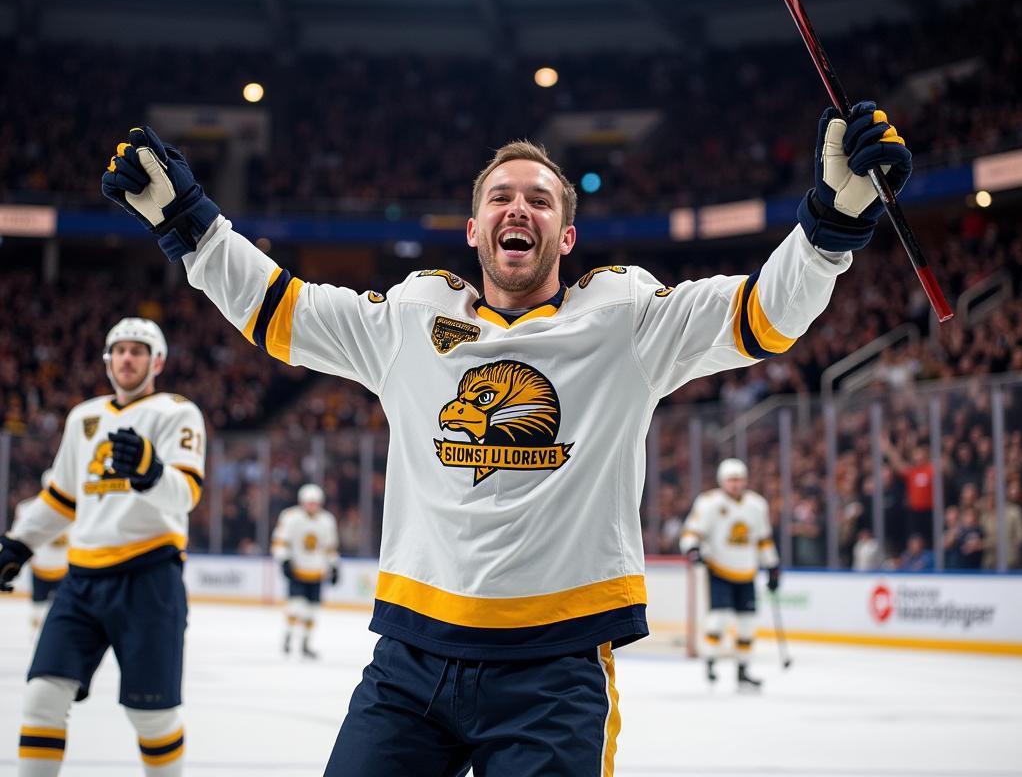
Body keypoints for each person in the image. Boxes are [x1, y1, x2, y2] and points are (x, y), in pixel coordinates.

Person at [99, 99, 911, 775]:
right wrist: (189, 223)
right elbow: (282, 310)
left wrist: (831, 225)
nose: (517, 207)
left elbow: (764, 314)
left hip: (554, 674)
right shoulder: (412, 319)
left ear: (564, 237)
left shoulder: (627, 320)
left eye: (540, 199)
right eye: (499, 196)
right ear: (473, 229)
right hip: (408, 666)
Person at [0, 318, 205, 777]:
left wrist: (151, 470)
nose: (127, 358)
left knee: (151, 717)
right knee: (41, 698)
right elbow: (61, 497)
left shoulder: (178, 412)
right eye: (119, 350)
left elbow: (187, 494)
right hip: (81, 581)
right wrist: (18, 544)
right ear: (107, 360)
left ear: (159, 362)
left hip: (150, 578)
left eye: (137, 350)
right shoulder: (83, 417)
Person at [680, 459, 779, 689]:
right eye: (731, 480)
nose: (735, 484)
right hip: (720, 569)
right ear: (722, 481)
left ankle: (743, 670)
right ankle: (711, 662)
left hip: (747, 571)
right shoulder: (709, 503)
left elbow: (763, 539)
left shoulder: (757, 505)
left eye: (739, 479)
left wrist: (773, 565)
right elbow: (692, 532)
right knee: (718, 620)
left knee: (747, 624)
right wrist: (693, 549)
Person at [272, 483, 340, 659]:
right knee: (295, 607)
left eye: (315, 502)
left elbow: (330, 547)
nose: (312, 506)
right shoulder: (290, 517)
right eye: (309, 502)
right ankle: (288, 636)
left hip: (317, 572)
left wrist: (334, 566)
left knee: (312, 610)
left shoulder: (327, 520)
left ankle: (305, 643)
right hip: (297, 570)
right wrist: (284, 560)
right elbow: (280, 541)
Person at [12, 471, 69, 632]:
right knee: (37, 615)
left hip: (64, 571)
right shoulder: (27, 509)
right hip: (40, 570)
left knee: (64, 616)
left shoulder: (78, 509)